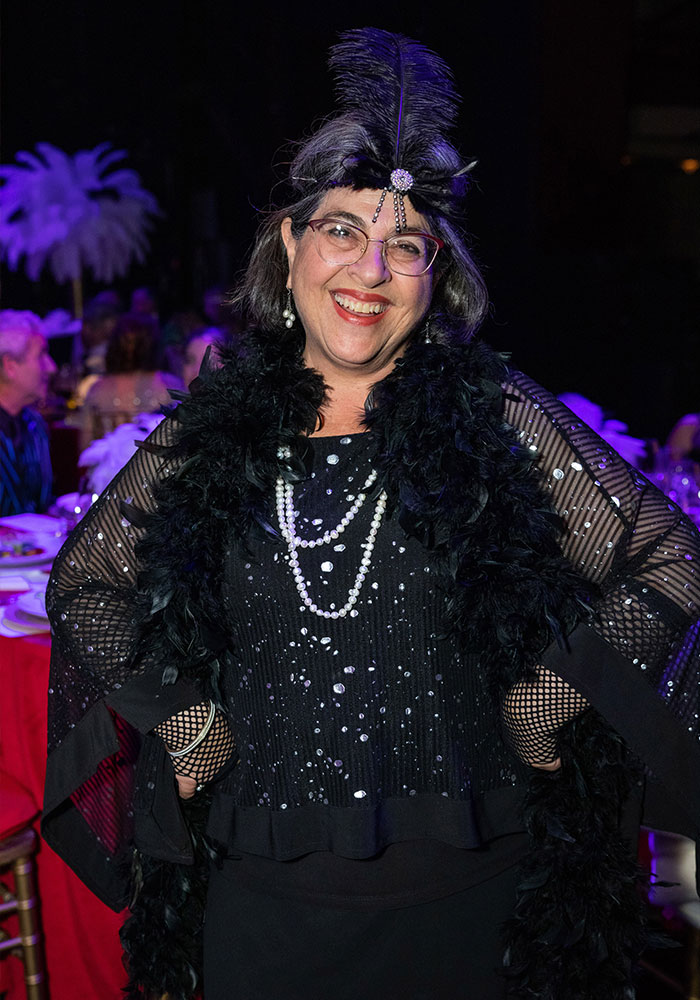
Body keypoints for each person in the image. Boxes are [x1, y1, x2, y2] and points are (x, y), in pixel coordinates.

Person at [42, 29, 700, 1000]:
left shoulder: (499, 415)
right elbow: (85, 584)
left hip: (473, 901)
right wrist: (183, 721)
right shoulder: (207, 435)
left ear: (435, 276)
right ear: (291, 243)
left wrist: (547, 696)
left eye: (406, 244)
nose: (371, 268)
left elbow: (670, 556)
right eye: (344, 228)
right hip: (262, 900)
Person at [79, 311, 181, 447]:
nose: (130, 348)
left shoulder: (97, 389)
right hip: (153, 467)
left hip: (108, 467)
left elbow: (85, 447)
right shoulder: (170, 385)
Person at [0, 310, 56, 516]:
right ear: (10, 366)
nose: (52, 367)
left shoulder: (36, 425)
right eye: (41, 356)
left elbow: (42, 505)